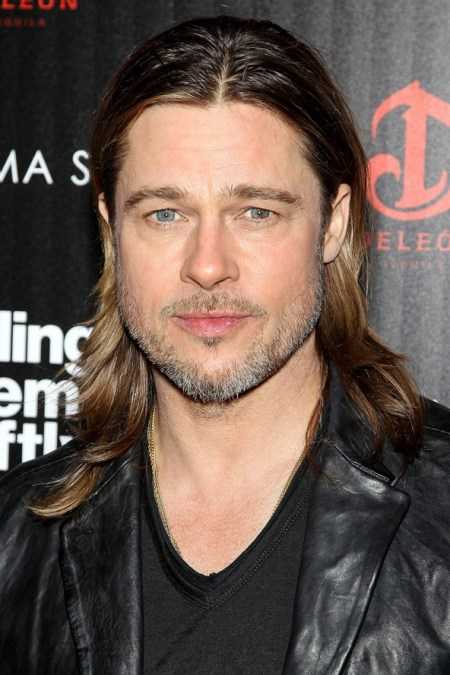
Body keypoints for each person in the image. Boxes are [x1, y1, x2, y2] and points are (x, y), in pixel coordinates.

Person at [1, 14, 449, 675]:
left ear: (333, 226)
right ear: (111, 231)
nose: (208, 266)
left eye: (256, 213)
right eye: (165, 214)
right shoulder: (15, 540)